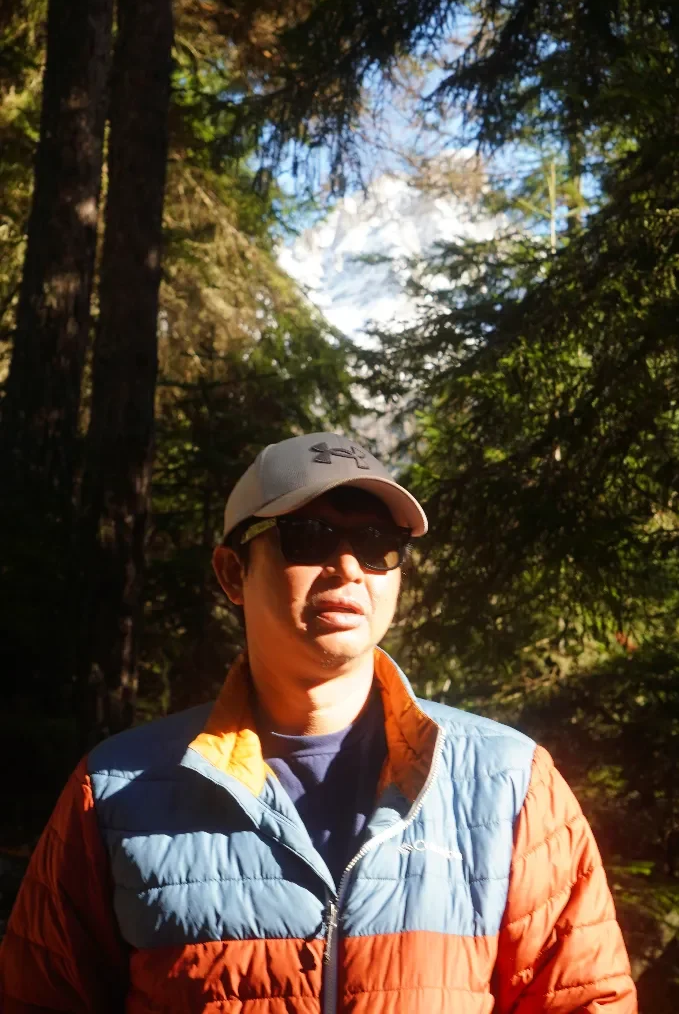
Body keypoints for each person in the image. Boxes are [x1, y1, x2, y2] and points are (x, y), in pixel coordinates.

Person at [0, 432, 637, 1013]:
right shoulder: (113, 793)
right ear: (231, 573)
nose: (348, 567)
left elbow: (584, 1001)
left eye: (376, 543)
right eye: (308, 536)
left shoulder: (509, 784)